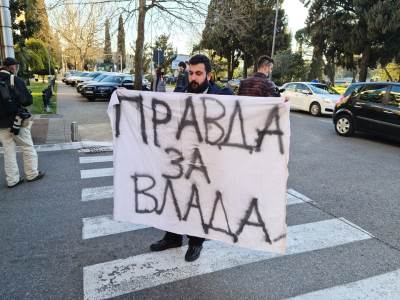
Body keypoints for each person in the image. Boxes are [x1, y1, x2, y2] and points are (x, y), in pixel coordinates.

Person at [150, 54, 233, 262]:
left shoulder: (223, 95)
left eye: (198, 73)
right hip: (181, 158)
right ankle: (173, 237)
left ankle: (196, 242)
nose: (193, 78)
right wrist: (127, 98)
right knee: (175, 197)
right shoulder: (180, 94)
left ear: (209, 75)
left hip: (207, 161)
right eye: (191, 73)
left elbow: (251, 109)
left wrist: (278, 104)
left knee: (200, 201)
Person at [0, 57, 45, 188]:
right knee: (27, 147)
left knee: (8, 151)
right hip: (16, 121)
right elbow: (27, 101)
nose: (16, 69)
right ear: (12, 67)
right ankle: (31, 174)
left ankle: (12, 180)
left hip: (1, 124)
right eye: (16, 66)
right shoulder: (15, 80)